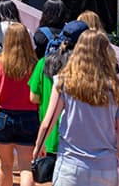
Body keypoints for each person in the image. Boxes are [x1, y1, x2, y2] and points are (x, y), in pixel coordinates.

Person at [33, 30, 119, 186]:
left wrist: (39, 146)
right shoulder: (116, 88)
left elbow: (49, 121)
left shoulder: (64, 81)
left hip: (70, 165)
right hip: (105, 168)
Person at [28, 20, 89, 170]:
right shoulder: (92, 73)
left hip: (49, 138)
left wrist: (39, 144)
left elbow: (33, 97)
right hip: (84, 146)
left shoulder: (44, 62)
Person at [0, 23, 38, 186]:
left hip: (1, 116)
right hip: (29, 117)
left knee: (4, 165)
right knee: (26, 167)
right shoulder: (35, 65)